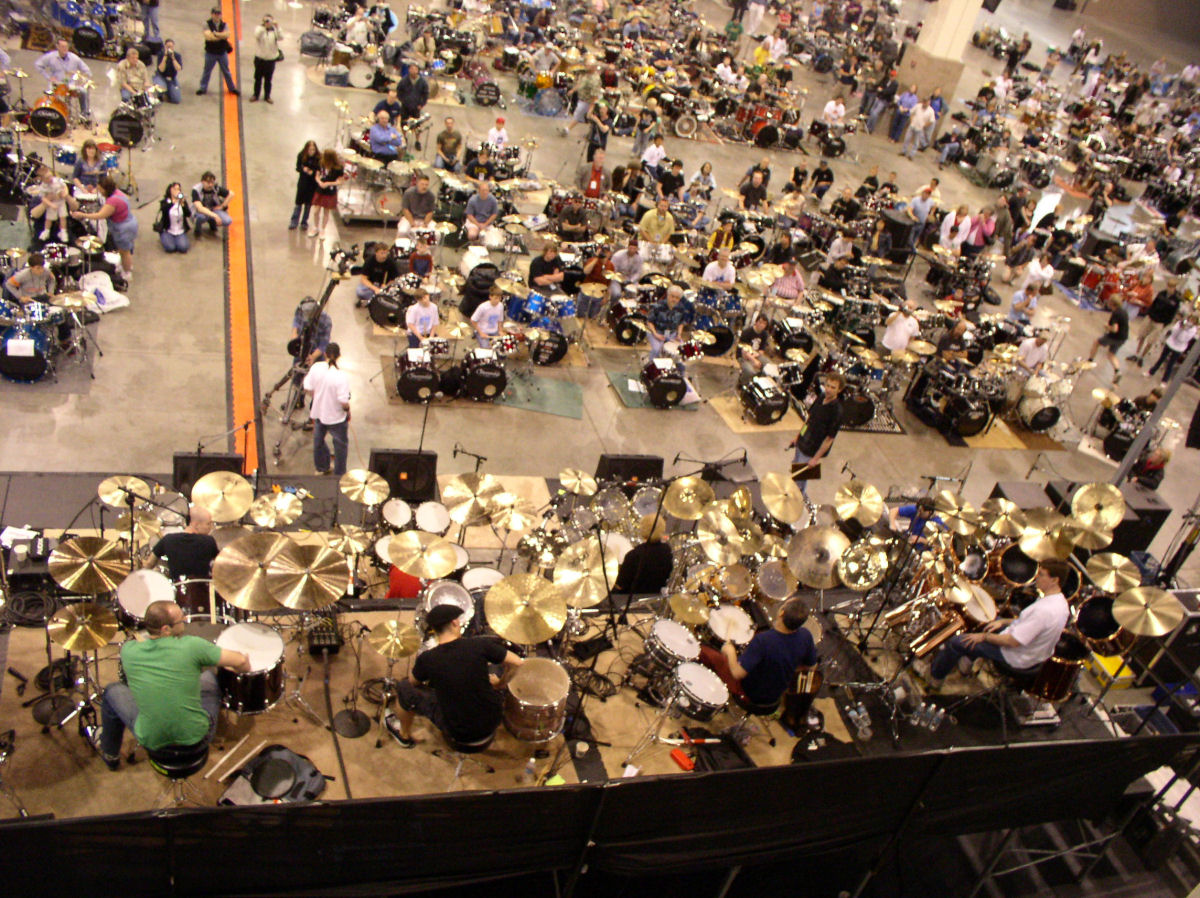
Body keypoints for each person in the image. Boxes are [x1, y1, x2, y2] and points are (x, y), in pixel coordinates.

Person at [95, 600, 250, 769]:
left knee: (112, 690)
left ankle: (110, 754)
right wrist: (243, 664)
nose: (185, 619)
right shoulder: (192, 645)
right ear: (166, 629)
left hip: (152, 742)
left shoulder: (128, 650)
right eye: (180, 619)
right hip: (197, 740)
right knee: (209, 677)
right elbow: (241, 661)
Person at [386, 604, 524, 748]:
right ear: (454, 623)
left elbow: (413, 682)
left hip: (458, 733)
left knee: (404, 686)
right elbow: (518, 663)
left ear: (434, 630)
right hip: (492, 722)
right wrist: (500, 684)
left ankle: (404, 736)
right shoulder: (480, 644)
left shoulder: (428, 658)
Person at [927, 562, 1070, 687]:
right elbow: (1028, 624)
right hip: (1032, 653)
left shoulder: (1043, 611)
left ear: (1055, 580)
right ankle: (965, 665)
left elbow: (1012, 641)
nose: (1036, 577)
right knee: (987, 621)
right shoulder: (1060, 603)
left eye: (1041, 574)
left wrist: (984, 637)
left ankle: (935, 678)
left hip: (1015, 656)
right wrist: (1002, 621)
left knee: (956, 642)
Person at [698, 599, 817, 705]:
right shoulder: (806, 635)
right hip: (776, 695)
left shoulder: (763, 640)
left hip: (751, 693)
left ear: (781, 612)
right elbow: (812, 667)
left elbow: (737, 673)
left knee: (703, 649)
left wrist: (731, 652)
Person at [70, 175, 137, 283]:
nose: (99, 191)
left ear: (105, 189)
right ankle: (124, 267)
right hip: (127, 223)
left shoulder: (113, 201)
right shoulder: (117, 192)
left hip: (123, 228)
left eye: (100, 189)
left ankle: (127, 273)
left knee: (125, 252)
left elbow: (100, 215)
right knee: (122, 250)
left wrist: (82, 215)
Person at [787, 371, 844, 495]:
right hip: (803, 441)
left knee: (801, 477)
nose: (828, 389)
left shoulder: (837, 412)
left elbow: (829, 439)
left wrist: (815, 459)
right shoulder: (821, 396)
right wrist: (798, 436)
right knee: (795, 467)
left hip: (812, 449)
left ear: (839, 390)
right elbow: (809, 420)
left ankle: (797, 497)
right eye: (827, 385)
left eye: (833, 387)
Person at [303, 342, 350, 475]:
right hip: (337, 418)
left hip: (319, 414)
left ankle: (322, 467)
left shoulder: (316, 368)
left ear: (325, 354)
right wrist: (347, 410)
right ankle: (339, 474)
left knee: (318, 442)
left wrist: (317, 397)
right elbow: (343, 401)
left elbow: (307, 387)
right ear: (339, 356)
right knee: (340, 447)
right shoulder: (341, 376)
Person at [146, 507, 218, 582]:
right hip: (202, 587)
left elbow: (149, 563)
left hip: (177, 587)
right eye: (208, 524)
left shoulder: (168, 539)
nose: (210, 527)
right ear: (196, 524)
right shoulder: (209, 541)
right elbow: (219, 566)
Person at [613, 514, 673, 594]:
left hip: (631, 598)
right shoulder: (667, 551)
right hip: (655, 597)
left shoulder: (634, 555)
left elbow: (621, 585)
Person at [35, 38, 92, 120]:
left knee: (84, 92)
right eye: (62, 46)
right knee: (50, 96)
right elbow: (38, 65)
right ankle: (54, 114)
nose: (65, 49)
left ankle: (84, 115)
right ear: (57, 47)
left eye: (66, 47)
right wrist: (48, 77)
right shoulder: (50, 56)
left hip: (70, 85)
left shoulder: (74, 58)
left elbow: (87, 71)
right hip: (56, 84)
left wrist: (82, 80)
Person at [1134, 277, 1183, 366]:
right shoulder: (1162, 293)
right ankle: (1136, 354)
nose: (1169, 288)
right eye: (1168, 286)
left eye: (1171, 287)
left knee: (1151, 341)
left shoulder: (1176, 300)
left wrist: (1165, 323)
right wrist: (1149, 313)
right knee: (1142, 335)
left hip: (1160, 322)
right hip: (1151, 317)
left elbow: (1172, 314)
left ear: (1174, 287)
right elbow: (1154, 303)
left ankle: (1142, 357)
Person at [1088, 294, 1130, 385]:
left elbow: (1115, 329)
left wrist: (1107, 326)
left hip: (1114, 337)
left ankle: (1089, 361)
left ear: (1111, 303)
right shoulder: (1124, 311)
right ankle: (1117, 371)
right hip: (1123, 338)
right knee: (1111, 354)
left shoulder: (1116, 314)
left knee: (1096, 342)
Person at [198, 6, 239, 96]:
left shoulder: (224, 24)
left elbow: (227, 35)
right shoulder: (206, 24)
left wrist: (215, 34)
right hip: (210, 53)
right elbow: (209, 37)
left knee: (226, 71)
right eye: (215, 14)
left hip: (222, 53)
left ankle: (231, 88)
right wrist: (221, 36)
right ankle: (202, 88)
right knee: (207, 71)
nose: (217, 16)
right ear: (212, 14)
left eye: (219, 14)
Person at [1148, 315, 1199, 382]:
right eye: (1190, 319)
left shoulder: (1193, 330)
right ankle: (1151, 372)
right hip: (1170, 343)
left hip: (1179, 348)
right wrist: (1180, 328)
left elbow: (1182, 339)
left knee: (1171, 364)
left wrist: (1184, 330)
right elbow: (1173, 332)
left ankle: (1164, 380)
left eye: (1193, 321)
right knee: (1161, 359)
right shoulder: (1180, 323)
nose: (1191, 321)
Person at [309, 149, 347, 238]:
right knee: (316, 211)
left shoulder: (338, 168)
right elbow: (317, 176)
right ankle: (315, 227)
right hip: (320, 190)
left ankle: (323, 229)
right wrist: (319, 182)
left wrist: (328, 183)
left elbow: (340, 182)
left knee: (326, 212)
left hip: (330, 191)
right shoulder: (321, 164)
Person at [646, 285, 689, 359]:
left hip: (672, 334)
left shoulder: (681, 308)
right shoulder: (658, 306)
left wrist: (679, 335)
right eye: (672, 296)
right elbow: (649, 322)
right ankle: (652, 364)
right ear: (668, 295)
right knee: (657, 350)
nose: (674, 299)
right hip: (656, 332)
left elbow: (681, 323)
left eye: (677, 298)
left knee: (681, 351)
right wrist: (655, 334)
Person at [29, 165, 69, 243]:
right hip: (51, 205)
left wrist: (65, 194)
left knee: (63, 217)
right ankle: (46, 231)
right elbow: (42, 200)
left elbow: (64, 187)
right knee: (49, 218)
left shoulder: (58, 181)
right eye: (47, 178)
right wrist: (50, 202)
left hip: (60, 202)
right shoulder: (42, 189)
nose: (50, 179)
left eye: (50, 176)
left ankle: (63, 232)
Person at [289, 296, 332, 367]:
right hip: (302, 350)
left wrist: (313, 357)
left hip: (317, 354)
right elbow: (296, 327)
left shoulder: (326, 321)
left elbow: (324, 344)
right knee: (297, 370)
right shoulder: (300, 311)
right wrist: (294, 342)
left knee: (316, 372)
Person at [249, 13, 282, 103]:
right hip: (260, 59)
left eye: (269, 20)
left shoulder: (275, 30)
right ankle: (256, 95)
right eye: (266, 20)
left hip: (271, 60)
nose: (268, 22)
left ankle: (267, 96)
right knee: (258, 78)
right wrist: (264, 27)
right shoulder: (259, 29)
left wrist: (277, 27)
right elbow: (257, 35)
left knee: (268, 79)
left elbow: (281, 37)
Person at [289, 141, 320, 231]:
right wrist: (303, 169)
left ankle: (304, 222)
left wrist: (312, 172)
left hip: (312, 185)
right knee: (298, 204)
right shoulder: (301, 155)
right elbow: (298, 167)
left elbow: (319, 170)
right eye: (310, 150)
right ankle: (294, 221)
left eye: (313, 150)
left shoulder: (318, 158)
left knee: (308, 205)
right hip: (303, 183)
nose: (311, 152)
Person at [191, 171, 232, 236]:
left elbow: (231, 194)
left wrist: (222, 206)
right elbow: (199, 208)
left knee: (227, 221)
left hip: (213, 209)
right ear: (202, 182)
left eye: (212, 182)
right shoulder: (196, 190)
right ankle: (197, 230)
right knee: (201, 218)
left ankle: (212, 222)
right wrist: (215, 216)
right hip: (202, 211)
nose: (210, 185)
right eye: (208, 182)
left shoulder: (216, 188)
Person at [155, 182, 193, 253]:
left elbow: (188, 214)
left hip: (180, 231)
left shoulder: (182, 202)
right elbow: (164, 210)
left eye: (178, 189)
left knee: (183, 248)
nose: (177, 191)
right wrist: (173, 202)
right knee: (170, 248)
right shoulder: (165, 202)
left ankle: (178, 239)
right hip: (168, 230)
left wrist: (183, 204)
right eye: (175, 189)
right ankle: (163, 236)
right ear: (170, 190)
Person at [637, 198, 675, 263]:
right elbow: (642, 230)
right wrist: (651, 242)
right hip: (645, 242)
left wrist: (662, 243)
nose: (663, 208)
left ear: (667, 208)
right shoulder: (648, 214)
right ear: (657, 205)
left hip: (660, 244)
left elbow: (669, 233)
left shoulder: (670, 218)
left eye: (665, 206)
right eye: (661, 206)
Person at [738, 314, 771, 380]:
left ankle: (760, 380)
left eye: (764, 324)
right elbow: (744, 351)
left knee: (769, 365)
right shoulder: (747, 332)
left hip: (755, 354)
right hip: (743, 356)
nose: (762, 325)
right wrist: (754, 360)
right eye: (760, 322)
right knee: (750, 371)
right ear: (756, 322)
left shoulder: (764, 334)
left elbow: (761, 350)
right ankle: (742, 382)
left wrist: (756, 356)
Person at [154, 39, 184, 104]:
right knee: (161, 87)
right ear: (165, 46)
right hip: (161, 76)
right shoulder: (161, 54)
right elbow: (161, 69)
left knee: (176, 99)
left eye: (171, 47)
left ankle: (169, 92)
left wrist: (173, 59)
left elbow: (179, 68)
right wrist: (165, 57)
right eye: (168, 47)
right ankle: (160, 94)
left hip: (172, 78)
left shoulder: (177, 55)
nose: (169, 48)